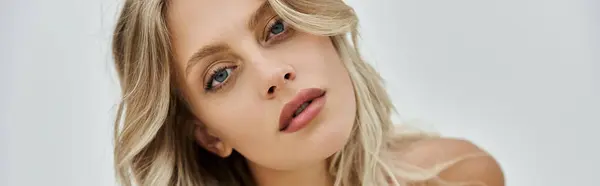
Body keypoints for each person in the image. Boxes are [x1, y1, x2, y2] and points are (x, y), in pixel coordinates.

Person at [111, 0, 505, 185]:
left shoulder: (457, 176)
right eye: (220, 75)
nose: (275, 74)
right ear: (208, 135)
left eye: (277, 28)